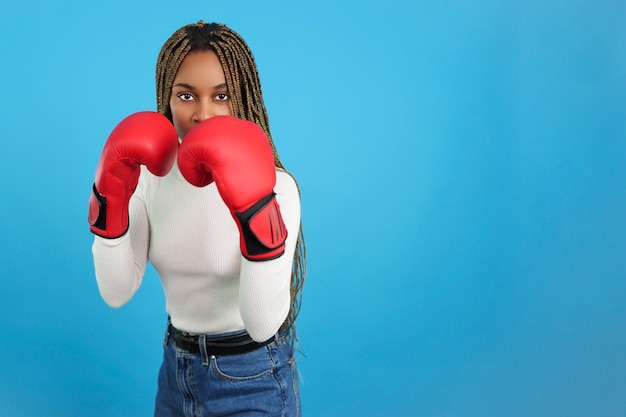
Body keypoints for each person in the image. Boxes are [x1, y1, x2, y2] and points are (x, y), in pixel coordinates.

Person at [88, 21, 306, 417]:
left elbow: (261, 324)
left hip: (251, 376)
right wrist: (109, 198)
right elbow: (115, 291)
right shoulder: (147, 181)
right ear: (166, 97)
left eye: (221, 95)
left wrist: (256, 209)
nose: (202, 113)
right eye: (186, 95)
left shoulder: (278, 188)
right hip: (177, 370)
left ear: (242, 96)